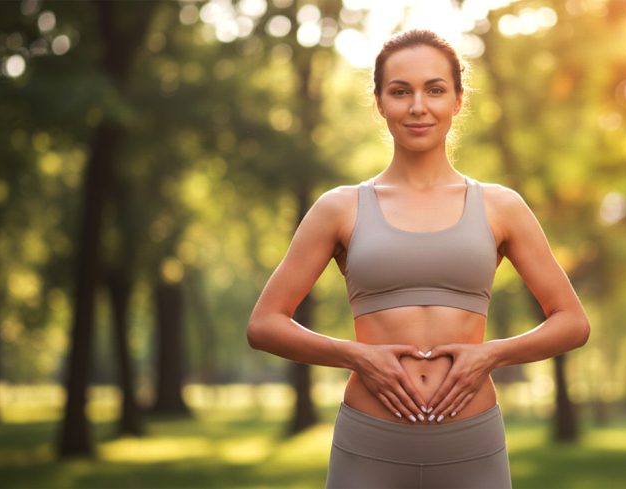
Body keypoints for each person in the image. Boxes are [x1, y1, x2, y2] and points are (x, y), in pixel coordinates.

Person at [247, 28, 591, 489]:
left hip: (472, 445)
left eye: (434, 89)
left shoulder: (501, 206)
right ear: (379, 102)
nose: (417, 106)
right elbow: (265, 324)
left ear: (457, 100)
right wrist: (359, 357)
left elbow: (572, 321)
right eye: (400, 91)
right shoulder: (339, 208)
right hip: (369, 444)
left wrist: (489, 356)